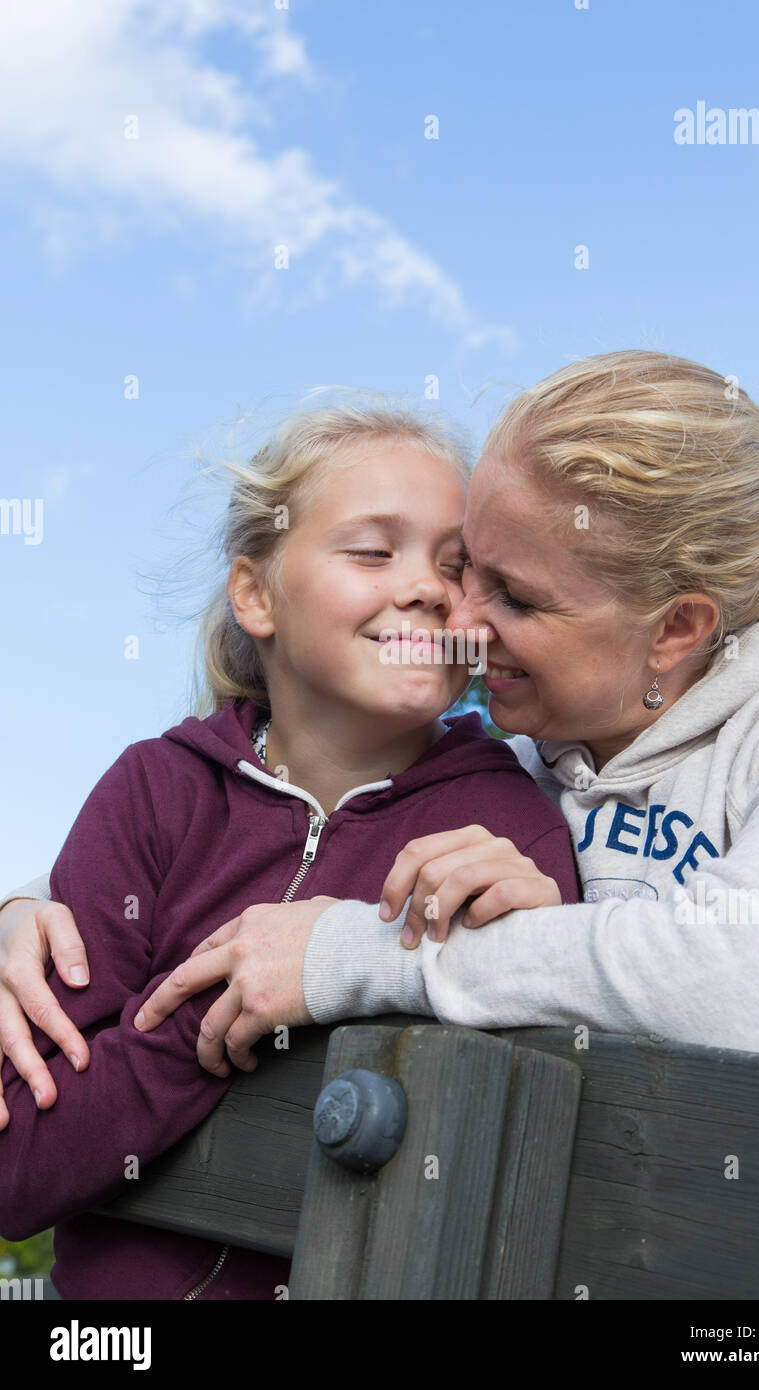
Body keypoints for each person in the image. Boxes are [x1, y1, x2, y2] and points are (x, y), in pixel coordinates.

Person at [4, 348, 759, 1119]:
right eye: (470, 569)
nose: (457, 615)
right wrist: (31, 910)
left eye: (515, 597)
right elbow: (276, 819)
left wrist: (349, 955)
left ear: (677, 628)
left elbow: (747, 987)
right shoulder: (527, 759)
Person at [0, 403, 577, 1300]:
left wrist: (527, 951)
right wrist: (210, 1014)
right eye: (373, 551)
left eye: (457, 565)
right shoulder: (157, 792)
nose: (429, 587)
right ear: (256, 595)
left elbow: (512, 1151)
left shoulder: (510, 831)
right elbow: (18, 1163)